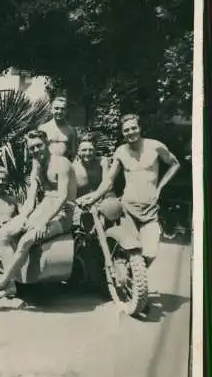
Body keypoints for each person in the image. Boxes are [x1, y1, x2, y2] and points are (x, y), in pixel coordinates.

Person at [0, 129, 78, 300]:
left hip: (62, 213)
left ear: (47, 143)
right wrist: (23, 216)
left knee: (26, 240)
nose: (35, 151)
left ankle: (2, 282)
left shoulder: (61, 163)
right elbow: (32, 197)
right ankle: (11, 286)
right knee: (4, 234)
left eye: (38, 146)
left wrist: (44, 222)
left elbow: (62, 196)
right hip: (42, 209)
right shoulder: (36, 164)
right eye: (32, 148)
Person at [79, 114, 180, 267]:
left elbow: (175, 164)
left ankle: (135, 276)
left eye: (133, 128)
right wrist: (93, 199)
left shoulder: (155, 146)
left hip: (151, 209)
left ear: (140, 128)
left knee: (151, 253)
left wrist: (160, 187)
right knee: (131, 250)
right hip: (128, 209)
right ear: (122, 132)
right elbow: (109, 180)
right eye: (126, 130)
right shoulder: (121, 151)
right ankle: (128, 280)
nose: (130, 132)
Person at [73, 134, 122, 225]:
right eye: (84, 150)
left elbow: (108, 186)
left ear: (95, 150)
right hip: (83, 206)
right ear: (78, 152)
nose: (87, 153)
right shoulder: (73, 168)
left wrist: (89, 198)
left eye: (90, 150)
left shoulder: (102, 162)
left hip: (103, 200)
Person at [38, 95, 77, 160]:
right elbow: (39, 153)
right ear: (51, 110)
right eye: (56, 108)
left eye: (62, 109)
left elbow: (73, 155)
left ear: (66, 111)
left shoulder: (71, 130)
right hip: (48, 167)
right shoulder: (43, 128)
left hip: (65, 166)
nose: (59, 112)